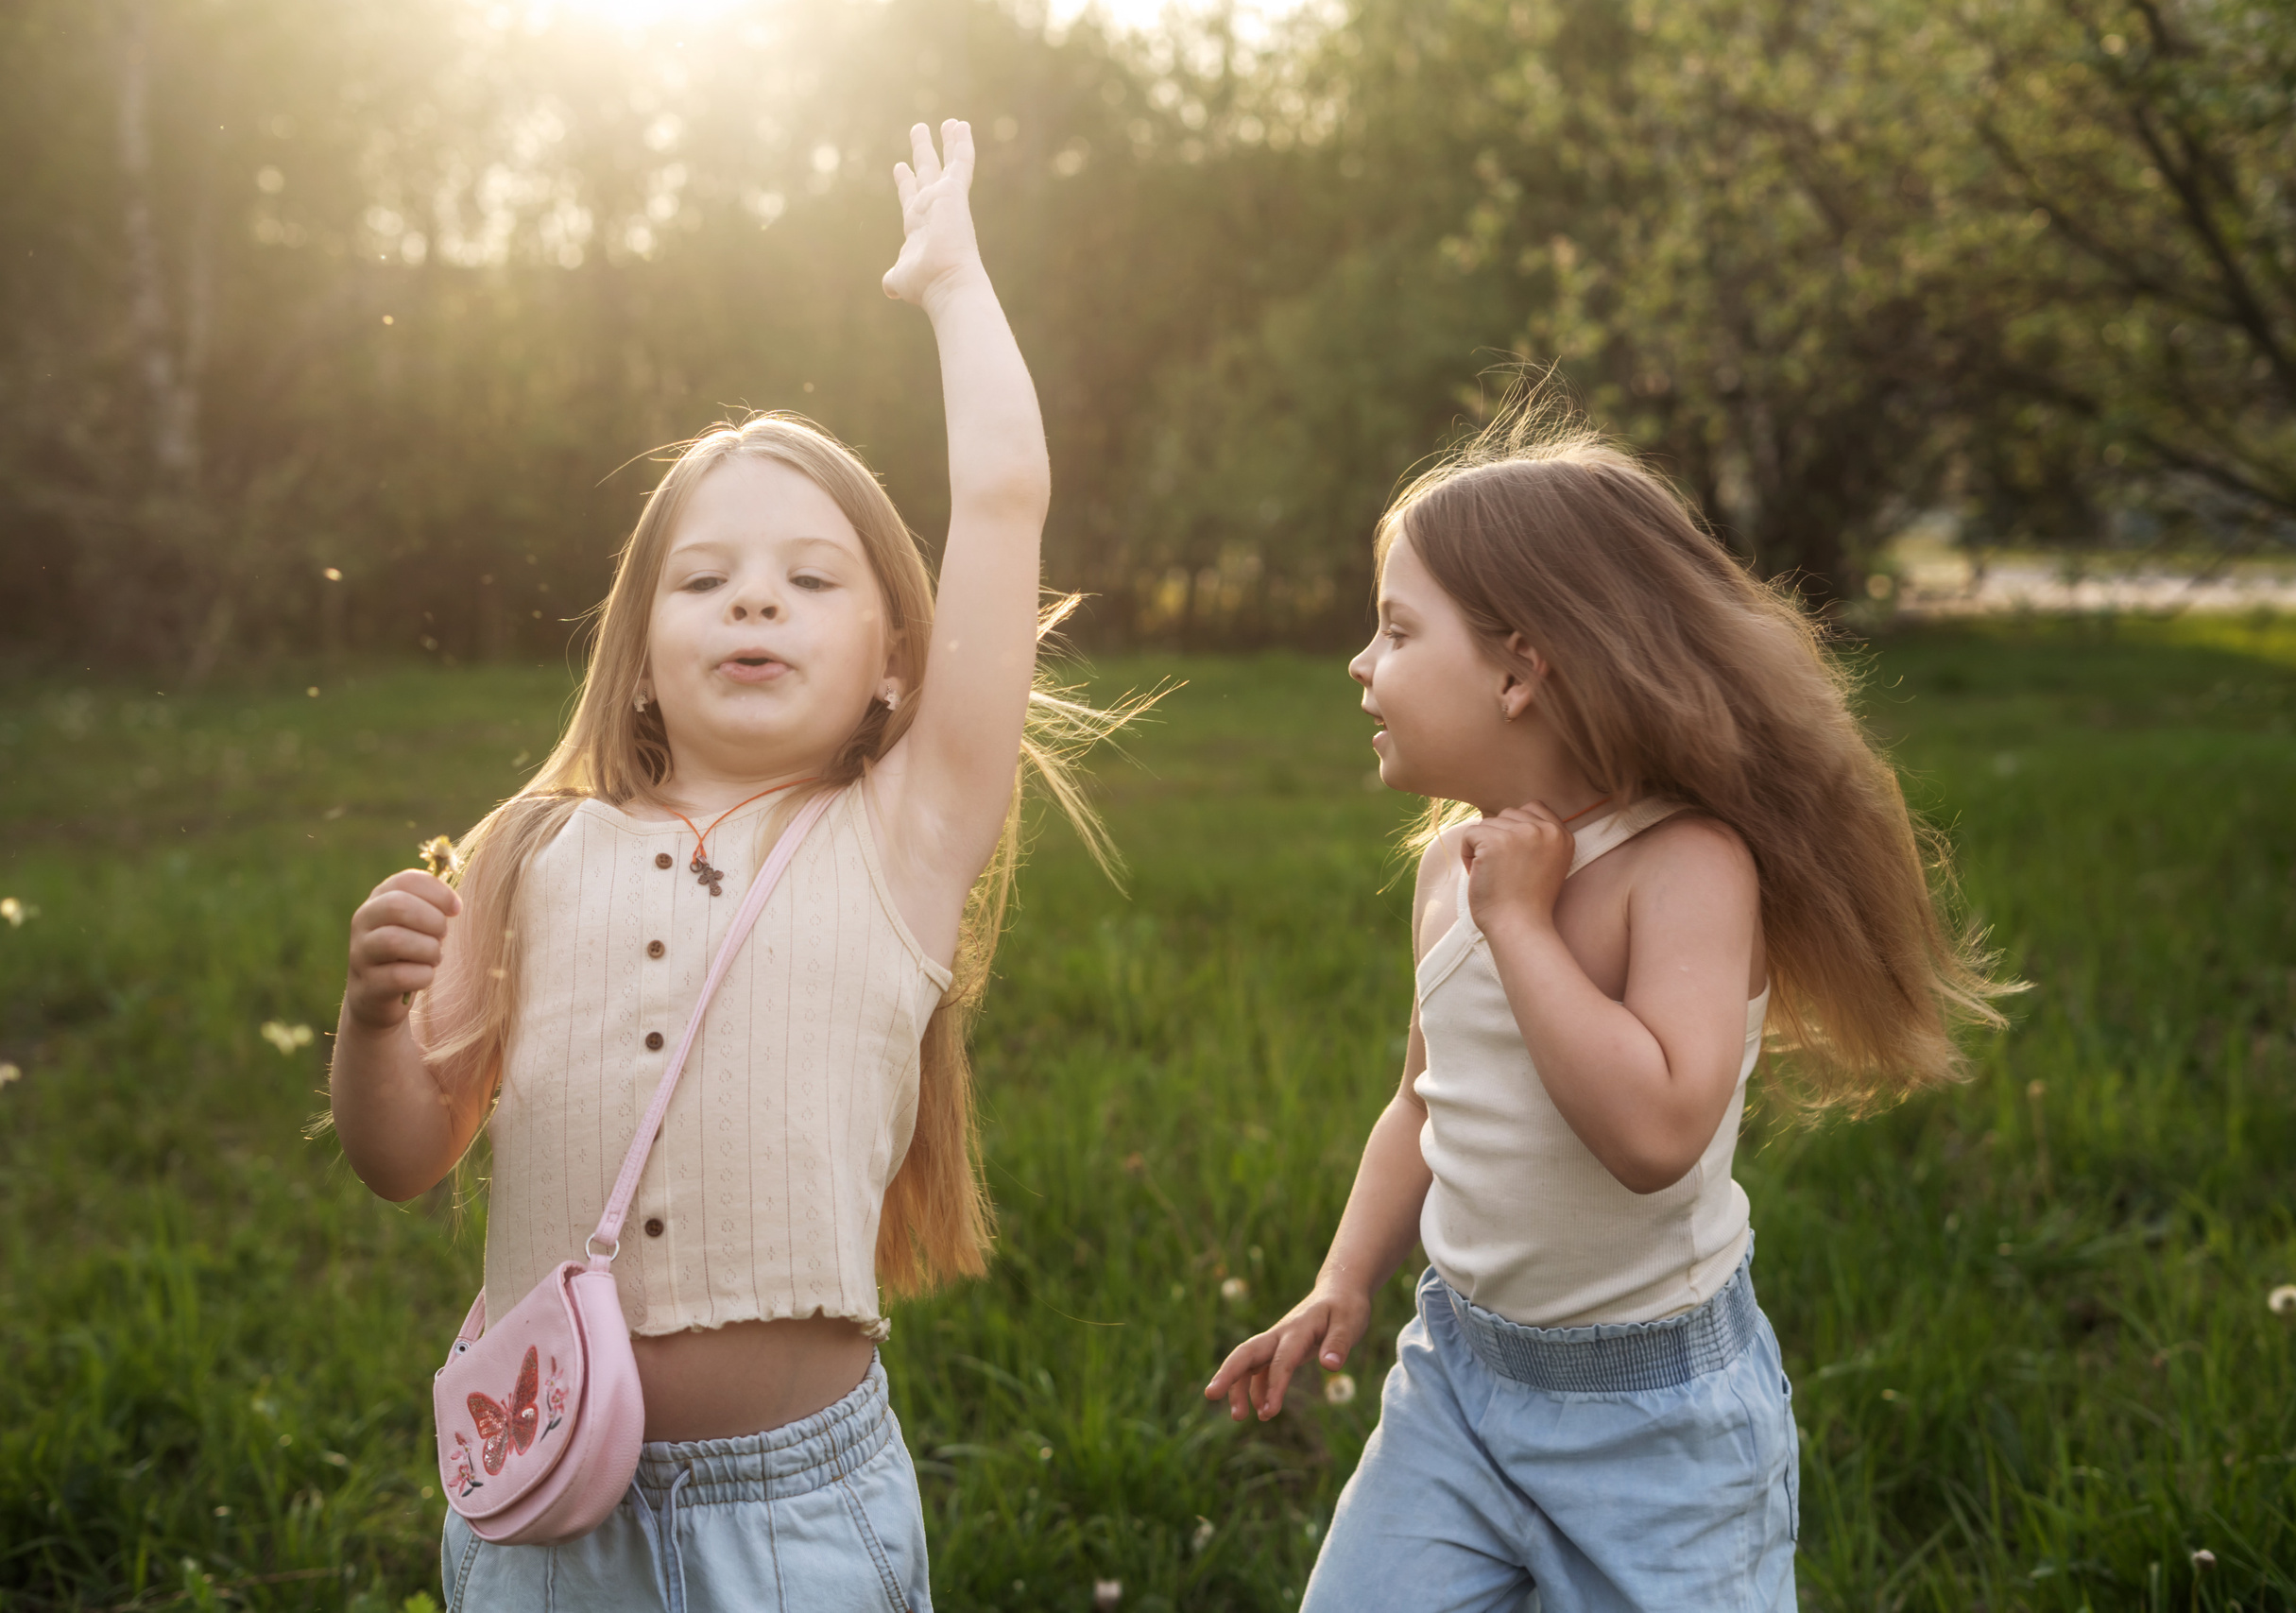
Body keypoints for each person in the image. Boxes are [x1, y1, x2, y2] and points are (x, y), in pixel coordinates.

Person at [331, 119, 1119, 1610]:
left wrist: (956, 286)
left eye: (810, 579)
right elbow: (402, 1155)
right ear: (639, 655)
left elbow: (1005, 500)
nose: (754, 599)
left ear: (899, 660)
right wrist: (374, 1019)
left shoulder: (905, 832)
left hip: (796, 1520)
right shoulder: (529, 845)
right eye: (706, 579)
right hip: (543, 1511)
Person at [1205, 410, 2015, 1610]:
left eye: (1397, 630)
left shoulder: (1682, 868)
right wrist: (1343, 1280)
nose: (1360, 665)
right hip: (1457, 1385)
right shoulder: (1451, 867)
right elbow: (1418, 1105)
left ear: (1519, 670)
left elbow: (1653, 1135)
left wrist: (1524, 928)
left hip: (1657, 1431)